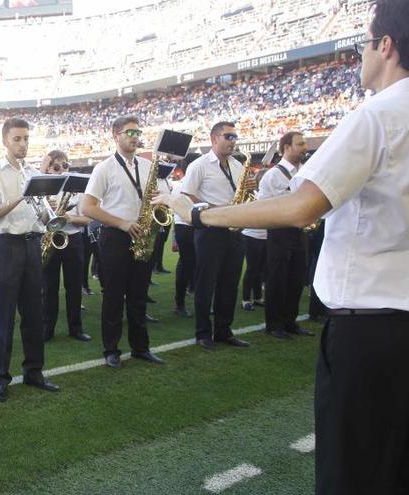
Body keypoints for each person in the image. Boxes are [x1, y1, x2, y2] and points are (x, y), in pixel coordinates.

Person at [153, 3, 409, 490]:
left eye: (364, 41)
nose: (361, 53)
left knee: (354, 474)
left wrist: (201, 214)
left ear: (386, 46)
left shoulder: (377, 115)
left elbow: (300, 207)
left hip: (370, 331)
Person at [0, 118, 59, 402]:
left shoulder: (35, 172)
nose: (23, 144)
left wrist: (51, 208)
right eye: (17, 139)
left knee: (35, 313)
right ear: (5, 141)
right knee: (4, 316)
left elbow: (44, 216)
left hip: (32, 245)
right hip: (7, 246)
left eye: (26, 138)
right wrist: (22, 196)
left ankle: (34, 372)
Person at [81, 116, 165, 368]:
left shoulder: (147, 165)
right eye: (129, 132)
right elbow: (87, 207)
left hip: (142, 233)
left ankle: (141, 347)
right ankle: (111, 349)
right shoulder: (104, 168)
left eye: (137, 132)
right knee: (114, 296)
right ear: (115, 135)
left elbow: (158, 194)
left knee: (139, 295)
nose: (135, 136)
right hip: (115, 236)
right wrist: (122, 223)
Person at [180, 121, 252, 350]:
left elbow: (241, 194)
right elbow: (186, 195)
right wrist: (213, 210)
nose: (233, 141)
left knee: (230, 283)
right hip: (210, 231)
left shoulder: (237, 165)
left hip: (235, 230)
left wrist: (249, 190)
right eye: (228, 136)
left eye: (235, 136)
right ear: (214, 139)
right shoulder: (199, 165)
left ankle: (224, 331)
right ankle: (203, 333)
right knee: (205, 283)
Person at [259, 131, 314, 339]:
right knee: (277, 279)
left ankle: (290, 322)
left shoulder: (306, 173)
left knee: (297, 278)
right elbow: (263, 207)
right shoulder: (272, 175)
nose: (305, 147)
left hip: (300, 232)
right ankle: (274, 324)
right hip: (279, 232)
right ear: (286, 148)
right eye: (300, 144)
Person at [40, 150, 91, 342]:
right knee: (49, 287)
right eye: (56, 166)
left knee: (74, 286)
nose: (61, 169)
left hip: (74, 239)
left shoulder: (77, 188)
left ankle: (76, 328)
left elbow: (87, 219)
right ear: (49, 168)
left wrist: (69, 217)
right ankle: (47, 328)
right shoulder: (43, 188)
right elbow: (37, 220)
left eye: (65, 165)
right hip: (51, 239)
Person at [170, 160, 195, 318]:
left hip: (194, 226)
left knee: (194, 263)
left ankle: (189, 295)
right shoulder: (180, 186)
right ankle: (179, 303)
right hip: (185, 226)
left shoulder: (189, 184)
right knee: (187, 264)